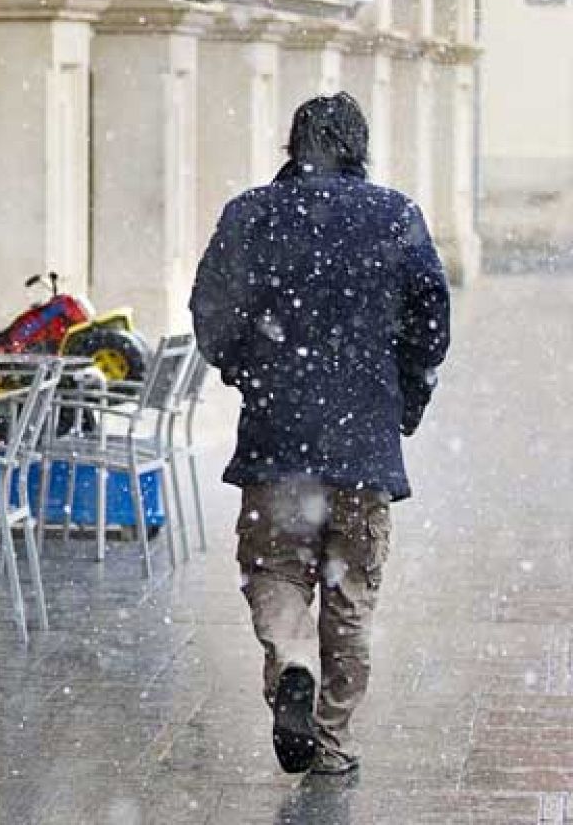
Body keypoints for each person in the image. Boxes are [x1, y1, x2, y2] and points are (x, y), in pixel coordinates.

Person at [189, 92, 450, 777]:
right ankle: (331, 741)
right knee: (352, 593)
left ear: (292, 146)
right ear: (360, 148)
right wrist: (404, 398)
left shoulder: (251, 213)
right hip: (363, 446)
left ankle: (293, 659)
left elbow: (210, 310)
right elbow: (431, 324)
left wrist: (250, 373)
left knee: (275, 569)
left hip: (277, 440)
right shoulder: (395, 216)